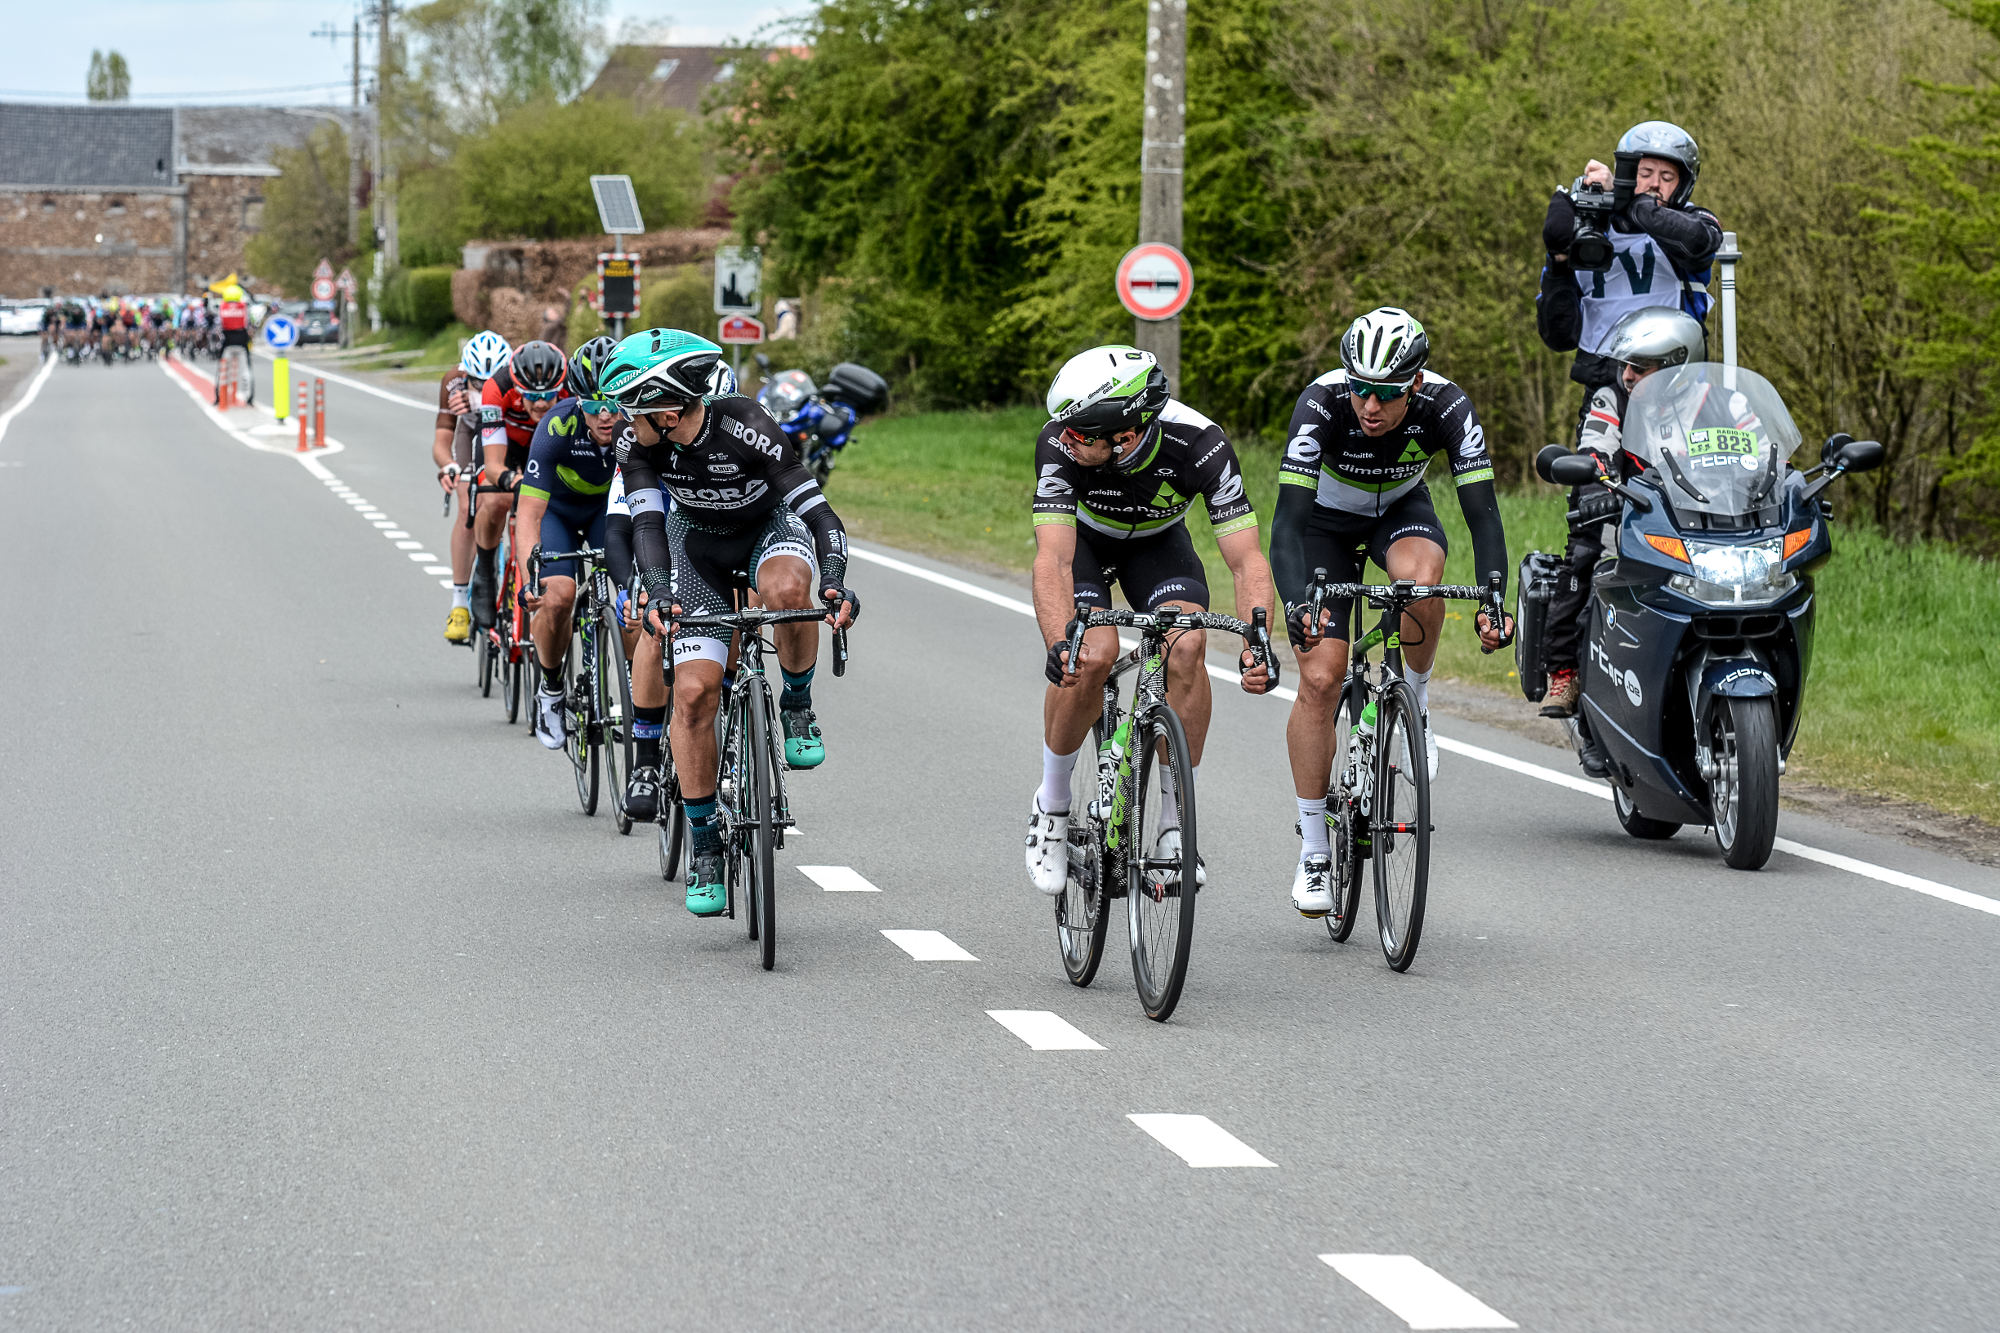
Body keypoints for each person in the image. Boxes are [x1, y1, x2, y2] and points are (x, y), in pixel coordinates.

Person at [601, 329, 858, 917]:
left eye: (631, 409)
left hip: (767, 532)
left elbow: (816, 510)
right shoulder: (638, 445)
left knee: (791, 590)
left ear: (667, 409)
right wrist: (660, 593)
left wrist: (836, 578)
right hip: (694, 550)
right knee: (691, 696)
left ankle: (795, 702)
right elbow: (646, 526)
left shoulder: (746, 422)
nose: (623, 419)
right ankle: (708, 841)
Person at [1271, 307, 1513, 917]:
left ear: (1416, 385)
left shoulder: (1448, 406)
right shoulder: (1323, 403)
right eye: (1360, 387)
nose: (1368, 406)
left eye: (1384, 393)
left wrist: (1493, 597)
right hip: (1323, 527)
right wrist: (1298, 603)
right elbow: (1286, 525)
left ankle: (1417, 703)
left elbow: (1482, 511)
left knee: (1421, 579)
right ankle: (1315, 850)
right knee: (1322, 678)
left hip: (1400, 511)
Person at [1022, 345, 1278, 896]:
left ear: (1127, 433)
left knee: (1186, 645)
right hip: (1085, 545)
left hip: (1159, 548)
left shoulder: (1201, 444)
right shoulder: (1058, 442)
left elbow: (1247, 557)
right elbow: (1054, 559)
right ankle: (1053, 806)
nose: (1064, 438)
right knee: (1091, 654)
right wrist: (1058, 641)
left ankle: (1171, 822)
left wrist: (1258, 636)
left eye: (1080, 433)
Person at [1540, 307, 1706, 718]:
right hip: (1627, 514)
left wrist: (1783, 483)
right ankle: (1564, 672)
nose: (1627, 375)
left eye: (1640, 368)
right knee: (1583, 561)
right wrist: (1598, 484)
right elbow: (1594, 447)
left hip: (1703, 522)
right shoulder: (1611, 398)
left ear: (1677, 369)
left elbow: (1758, 446)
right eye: (1625, 365)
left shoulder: (1718, 402)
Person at [1537, 121, 1721, 433]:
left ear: (1684, 184)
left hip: (1678, 385)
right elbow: (1558, 336)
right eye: (1644, 174)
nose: (1654, 185)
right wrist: (1558, 261)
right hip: (1605, 387)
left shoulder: (1694, 222)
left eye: (1667, 177)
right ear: (1627, 173)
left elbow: (1699, 243)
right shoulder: (1587, 233)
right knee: (1596, 477)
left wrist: (1628, 202)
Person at [514, 336, 623, 751]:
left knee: (634, 605)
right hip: (557, 513)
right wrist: (530, 575)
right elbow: (529, 514)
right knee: (557, 596)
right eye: (595, 406)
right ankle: (551, 689)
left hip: (607, 512)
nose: (606, 415)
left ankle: (634, 690)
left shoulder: (634, 427)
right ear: (579, 403)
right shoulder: (556, 426)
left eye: (613, 402)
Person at [469, 340, 568, 630]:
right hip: (508, 445)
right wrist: (511, 479)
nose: (540, 403)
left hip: (550, 445)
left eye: (549, 395)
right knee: (496, 499)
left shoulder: (571, 388)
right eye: (531, 396)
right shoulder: (495, 388)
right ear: (517, 388)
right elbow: (493, 465)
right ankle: (485, 570)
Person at [434, 330, 510, 643]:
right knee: (468, 506)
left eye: (494, 382)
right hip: (470, 435)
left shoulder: (518, 382)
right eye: (478, 382)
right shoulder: (452, 381)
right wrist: (450, 466)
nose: (486, 389)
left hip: (507, 434)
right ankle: (459, 603)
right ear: (466, 374)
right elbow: (442, 440)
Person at [215, 284, 252, 403]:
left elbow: (218, 324)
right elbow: (250, 323)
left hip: (227, 342)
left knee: (222, 370)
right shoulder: (244, 307)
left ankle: (219, 396)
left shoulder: (222, 307)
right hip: (242, 342)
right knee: (246, 370)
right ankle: (249, 396)